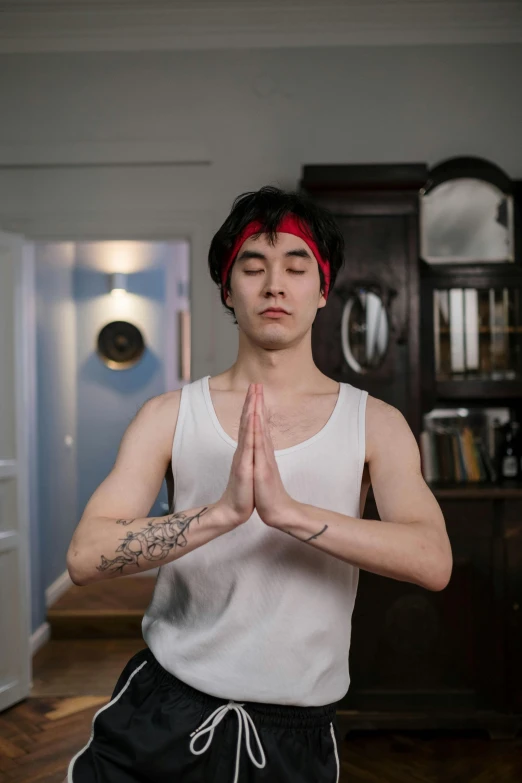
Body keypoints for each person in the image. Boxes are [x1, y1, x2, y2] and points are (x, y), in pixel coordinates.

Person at [63, 186, 453, 783]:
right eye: (254, 266)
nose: (275, 285)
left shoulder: (375, 423)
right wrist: (221, 513)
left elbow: (432, 560)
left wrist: (289, 513)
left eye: (297, 268)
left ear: (322, 291)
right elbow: (86, 557)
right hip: (163, 711)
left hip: (295, 734)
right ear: (227, 289)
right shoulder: (167, 414)